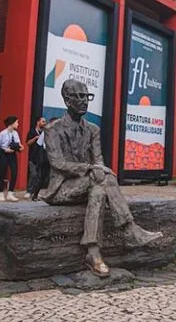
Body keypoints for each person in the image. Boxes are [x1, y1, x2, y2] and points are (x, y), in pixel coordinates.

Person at [43, 79, 162, 278]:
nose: (84, 101)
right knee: (101, 179)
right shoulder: (53, 130)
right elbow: (58, 163)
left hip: (89, 184)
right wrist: (91, 168)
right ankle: (129, 230)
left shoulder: (93, 130)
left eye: (86, 96)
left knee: (99, 190)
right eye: (78, 96)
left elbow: (98, 160)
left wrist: (98, 169)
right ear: (66, 100)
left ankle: (93, 252)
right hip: (62, 188)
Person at [0, 115, 24, 202]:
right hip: (4, 153)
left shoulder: (15, 133)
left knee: (14, 173)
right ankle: (1, 193)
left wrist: (20, 147)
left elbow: (18, 144)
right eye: (16, 122)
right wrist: (4, 149)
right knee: (3, 173)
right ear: (11, 123)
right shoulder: (2, 133)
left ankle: (10, 193)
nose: (17, 124)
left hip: (12, 154)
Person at [25, 116, 47, 200]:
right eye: (43, 121)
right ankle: (29, 191)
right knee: (33, 174)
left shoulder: (44, 132)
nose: (44, 123)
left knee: (39, 176)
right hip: (33, 157)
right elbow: (28, 143)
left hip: (40, 158)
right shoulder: (32, 132)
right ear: (38, 122)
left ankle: (34, 192)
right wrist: (35, 138)